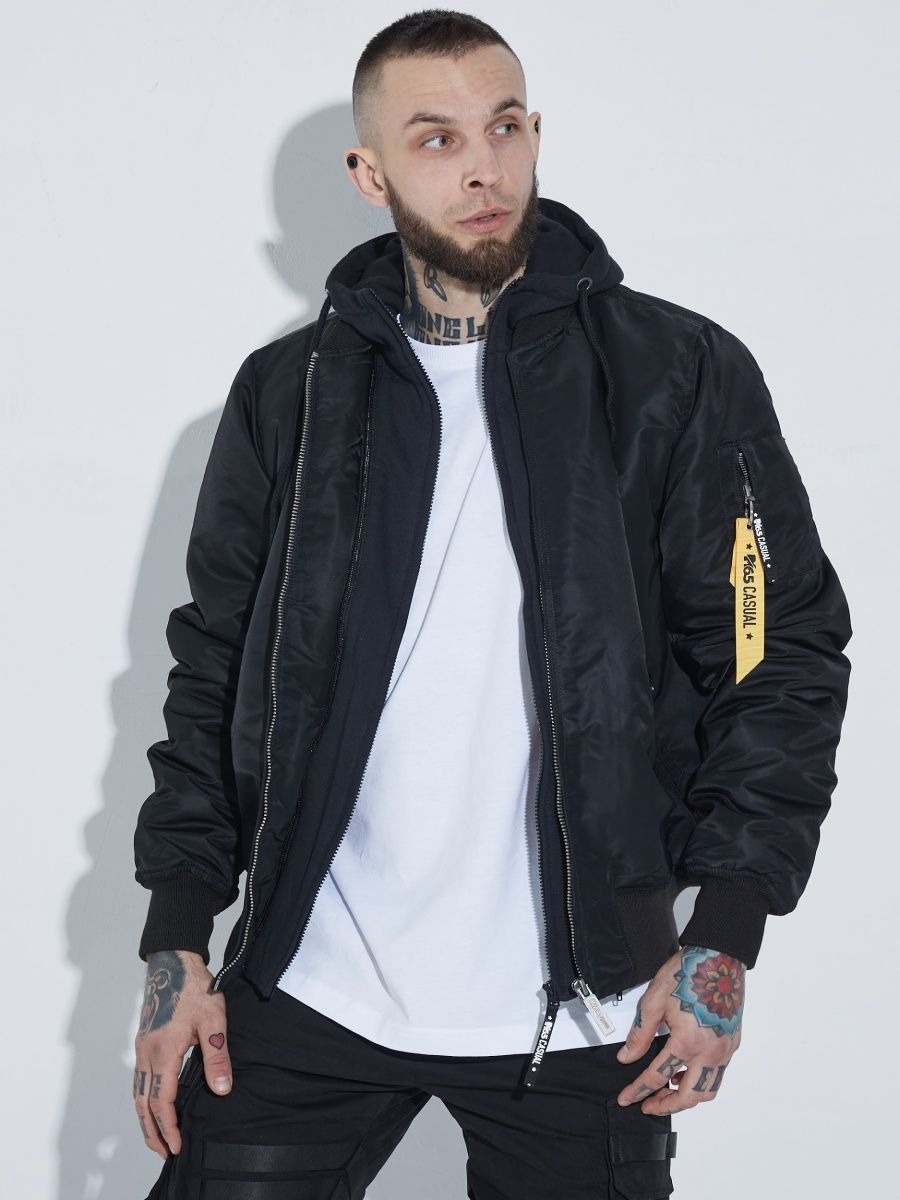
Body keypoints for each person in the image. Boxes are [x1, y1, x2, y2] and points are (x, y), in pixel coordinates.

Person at [132, 9, 853, 1198]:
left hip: (587, 1011)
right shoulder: (290, 394)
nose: (483, 167)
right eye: (437, 139)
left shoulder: (674, 373)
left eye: (505, 127)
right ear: (370, 175)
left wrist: (725, 934)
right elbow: (212, 671)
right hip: (311, 982)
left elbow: (774, 654)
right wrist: (177, 943)